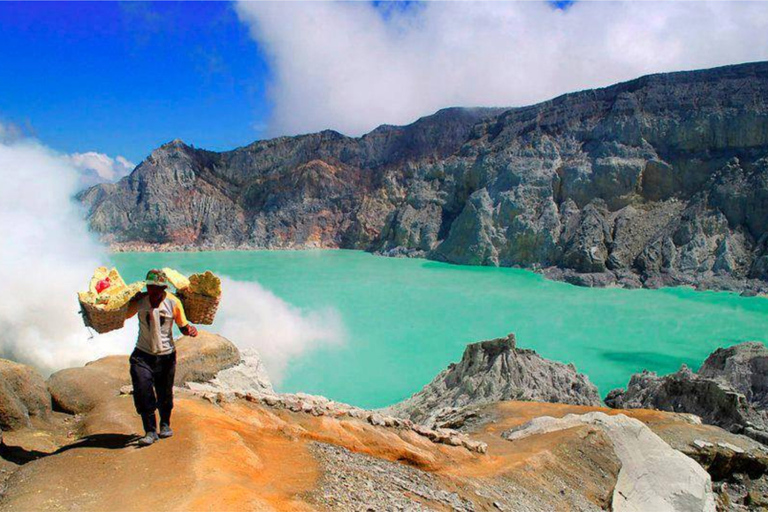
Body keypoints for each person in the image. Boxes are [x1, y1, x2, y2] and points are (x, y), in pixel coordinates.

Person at [126, 269, 198, 446]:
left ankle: (165, 423)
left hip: (166, 356)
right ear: (147, 287)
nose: (154, 292)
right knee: (143, 391)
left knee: (164, 393)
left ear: (164, 288)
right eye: (151, 287)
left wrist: (189, 330)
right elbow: (123, 316)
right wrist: (126, 302)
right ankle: (150, 431)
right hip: (142, 355)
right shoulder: (140, 302)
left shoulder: (173, 303)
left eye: (158, 288)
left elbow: (182, 325)